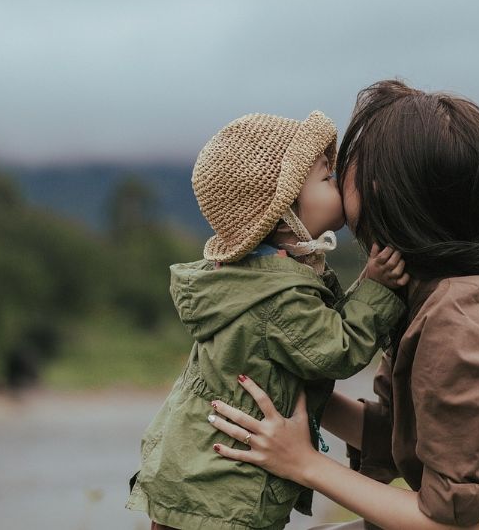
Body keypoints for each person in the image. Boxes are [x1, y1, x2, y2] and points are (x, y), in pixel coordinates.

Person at [206, 81, 479, 529]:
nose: (335, 174)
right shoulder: (447, 293)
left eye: (343, 168)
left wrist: (304, 463)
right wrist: (293, 386)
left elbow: (449, 523)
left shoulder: (465, 314)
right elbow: (409, 436)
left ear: (381, 189)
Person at [126, 110, 410, 529]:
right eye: (327, 178)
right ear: (283, 213)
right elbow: (335, 350)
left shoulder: (255, 278)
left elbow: (315, 330)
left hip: (198, 481)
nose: (339, 183)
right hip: (224, 497)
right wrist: (379, 289)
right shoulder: (277, 295)